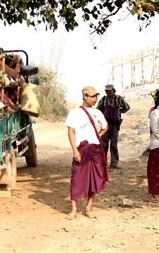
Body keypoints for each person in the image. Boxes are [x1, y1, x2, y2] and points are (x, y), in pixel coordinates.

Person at [65, 86, 108, 218]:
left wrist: (97, 136)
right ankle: (73, 209)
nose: (94, 99)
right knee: (77, 178)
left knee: (94, 179)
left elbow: (105, 127)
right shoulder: (75, 112)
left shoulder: (98, 113)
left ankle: (89, 207)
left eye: (96, 96)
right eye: (91, 96)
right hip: (81, 149)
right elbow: (71, 131)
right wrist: (74, 151)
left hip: (95, 149)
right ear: (84, 96)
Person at [96, 84, 130, 169]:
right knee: (104, 144)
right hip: (105, 125)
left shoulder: (119, 98)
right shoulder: (104, 99)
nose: (107, 92)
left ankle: (114, 163)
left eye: (109, 91)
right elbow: (98, 109)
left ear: (113, 90)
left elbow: (127, 107)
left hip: (115, 125)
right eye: (106, 91)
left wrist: (118, 111)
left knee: (113, 144)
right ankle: (103, 163)